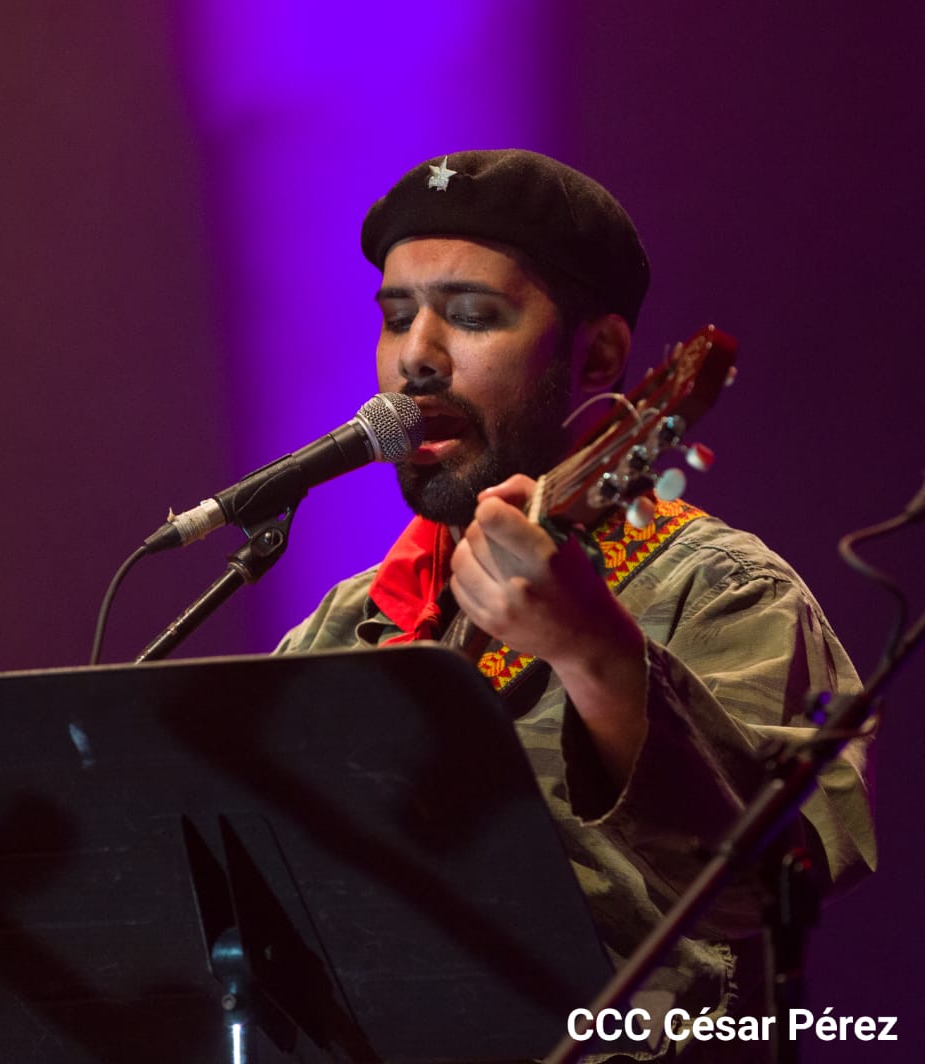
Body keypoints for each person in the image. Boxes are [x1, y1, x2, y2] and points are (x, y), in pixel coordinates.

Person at [276, 150, 875, 1060]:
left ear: (597, 354)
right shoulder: (345, 623)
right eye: (397, 318)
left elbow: (770, 892)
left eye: (471, 316)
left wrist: (597, 656)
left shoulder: (724, 589)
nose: (416, 358)